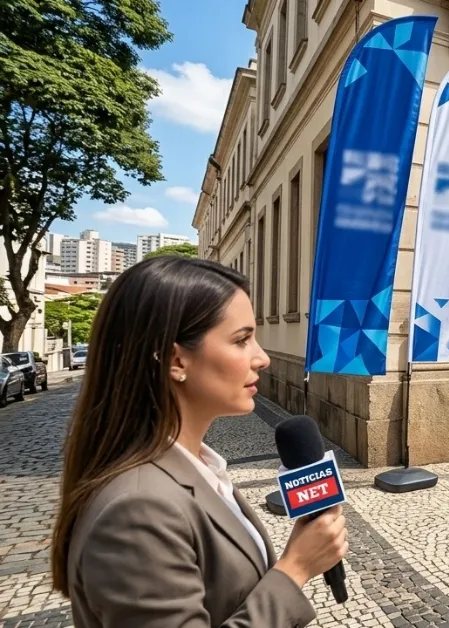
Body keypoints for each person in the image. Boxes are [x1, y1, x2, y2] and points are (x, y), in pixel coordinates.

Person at [50, 257, 345, 627]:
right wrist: (295, 570)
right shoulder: (138, 509)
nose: (263, 358)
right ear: (176, 360)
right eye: (242, 339)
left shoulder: (199, 468)